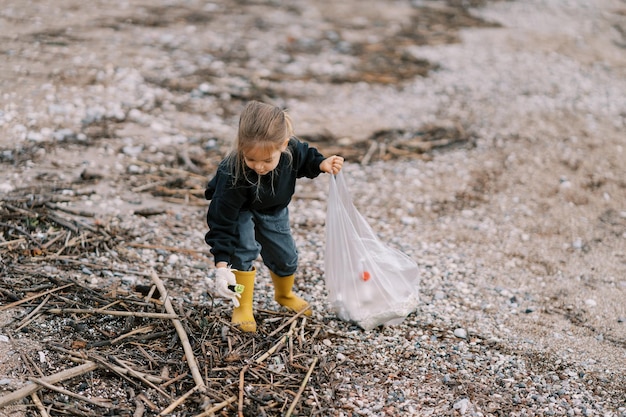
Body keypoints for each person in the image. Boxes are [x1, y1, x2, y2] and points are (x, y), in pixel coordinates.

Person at [204, 100, 344, 332]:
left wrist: (322, 163)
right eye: (251, 159)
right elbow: (222, 221)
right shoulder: (231, 174)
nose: (259, 166)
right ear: (240, 147)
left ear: (283, 145)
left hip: (273, 210)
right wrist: (221, 266)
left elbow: (307, 159)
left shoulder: (292, 151)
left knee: (286, 256)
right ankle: (242, 305)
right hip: (239, 211)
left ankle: (284, 294)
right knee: (243, 251)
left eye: (267, 160)